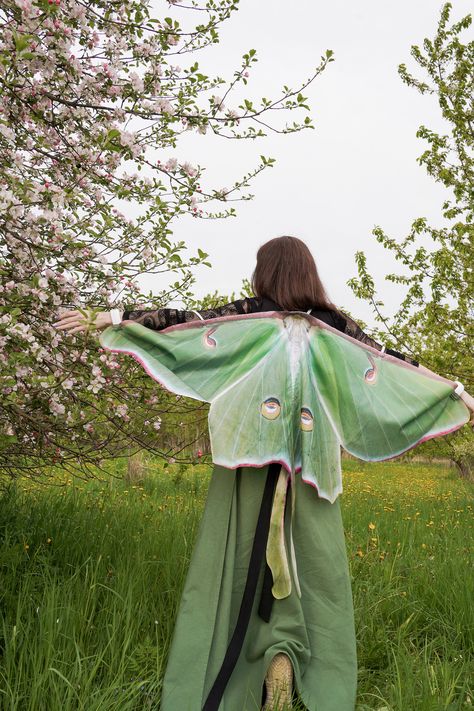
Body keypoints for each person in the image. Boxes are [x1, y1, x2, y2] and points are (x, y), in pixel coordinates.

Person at [53, 236, 474, 711]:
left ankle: (252, 655)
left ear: (266, 272)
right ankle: (290, 653)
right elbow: (391, 363)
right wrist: (453, 393)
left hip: (249, 458)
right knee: (311, 559)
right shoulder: (332, 325)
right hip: (310, 465)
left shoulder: (253, 315)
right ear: (308, 273)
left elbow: (189, 323)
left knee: (237, 555)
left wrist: (115, 317)